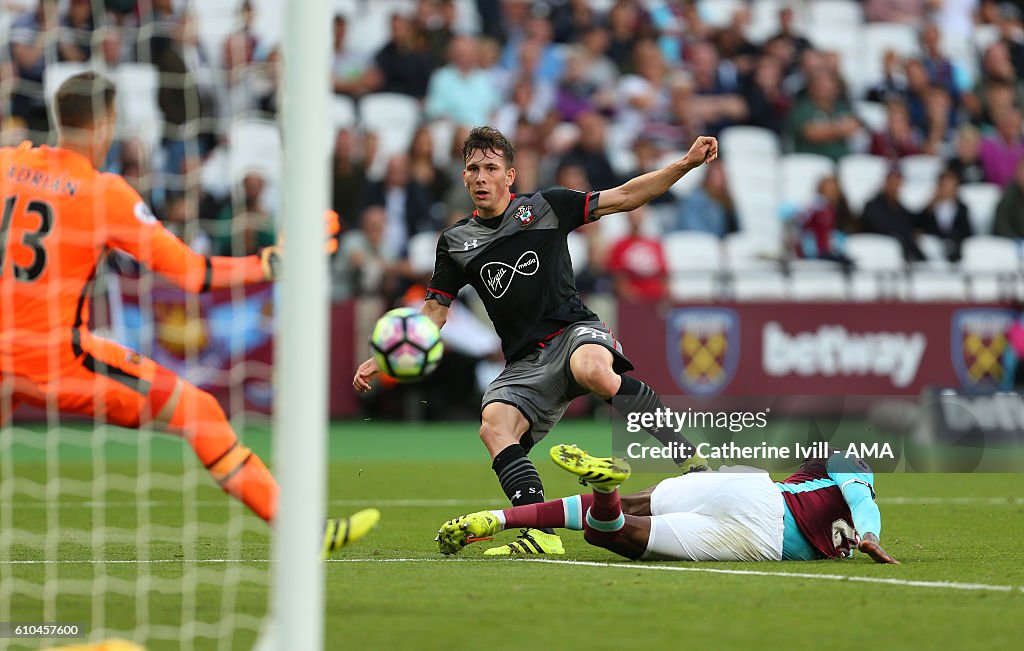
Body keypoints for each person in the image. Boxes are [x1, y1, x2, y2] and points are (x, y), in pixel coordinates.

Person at [0, 72, 376, 556]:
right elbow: (190, 272)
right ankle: (302, 534)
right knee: (198, 411)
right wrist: (271, 262)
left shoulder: (8, 163)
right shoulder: (102, 192)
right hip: (57, 360)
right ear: (104, 124)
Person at [354, 126, 715, 556]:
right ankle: (540, 529)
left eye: (491, 168)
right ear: (464, 178)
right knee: (494, 426)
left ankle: (693, 462)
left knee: (594, 370)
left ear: (510, 176)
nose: (481, 177)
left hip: (576, 331)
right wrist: (389, 354)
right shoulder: (455, 243)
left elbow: (625, 196)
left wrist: (685, 164)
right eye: (473, 169)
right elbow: (434, 313)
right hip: (525, 362)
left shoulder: (546, 205)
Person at [437, 444, 899, 565]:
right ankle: (604, 490)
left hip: (747, 486)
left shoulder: (824, 462)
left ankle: (497, 518)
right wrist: (871, 537)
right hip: (763, 531)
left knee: (636, 504)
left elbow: (858, 499)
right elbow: (863, 501)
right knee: (611, 531)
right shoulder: (854, 463)